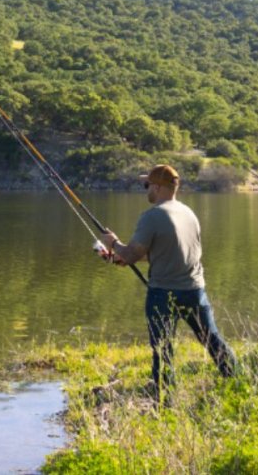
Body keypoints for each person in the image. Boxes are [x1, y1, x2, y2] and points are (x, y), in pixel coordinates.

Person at [100, 164, 237, 396]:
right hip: (195, 290)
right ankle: (237, 380)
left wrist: (113, 243)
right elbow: (173, 251)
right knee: (212, 339)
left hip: (163, 293)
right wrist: (125, 258)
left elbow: (132, 253)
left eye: (147, 185)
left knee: (163, 349)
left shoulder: (152, 216)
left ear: (157, 187)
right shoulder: (188, 213)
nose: (146, 190)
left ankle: (165, 399)